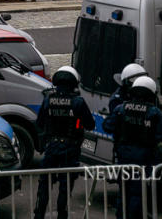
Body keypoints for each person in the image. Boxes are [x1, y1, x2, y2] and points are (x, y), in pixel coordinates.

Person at [103, 76, 162, 219]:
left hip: (124, 159)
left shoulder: (120, 109)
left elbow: (107, 126)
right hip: (144, 160)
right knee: (137, 195)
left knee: (123, 193)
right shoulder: (153, 112)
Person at [33, 66, 95, 219]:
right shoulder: (78, 102)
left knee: (45, 183)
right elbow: (90, 125)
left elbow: (39, 123)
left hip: (51, 147)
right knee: (65, 185)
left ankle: (39, 214)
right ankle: (62, 214)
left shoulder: (48, 99)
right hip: (71, 148)